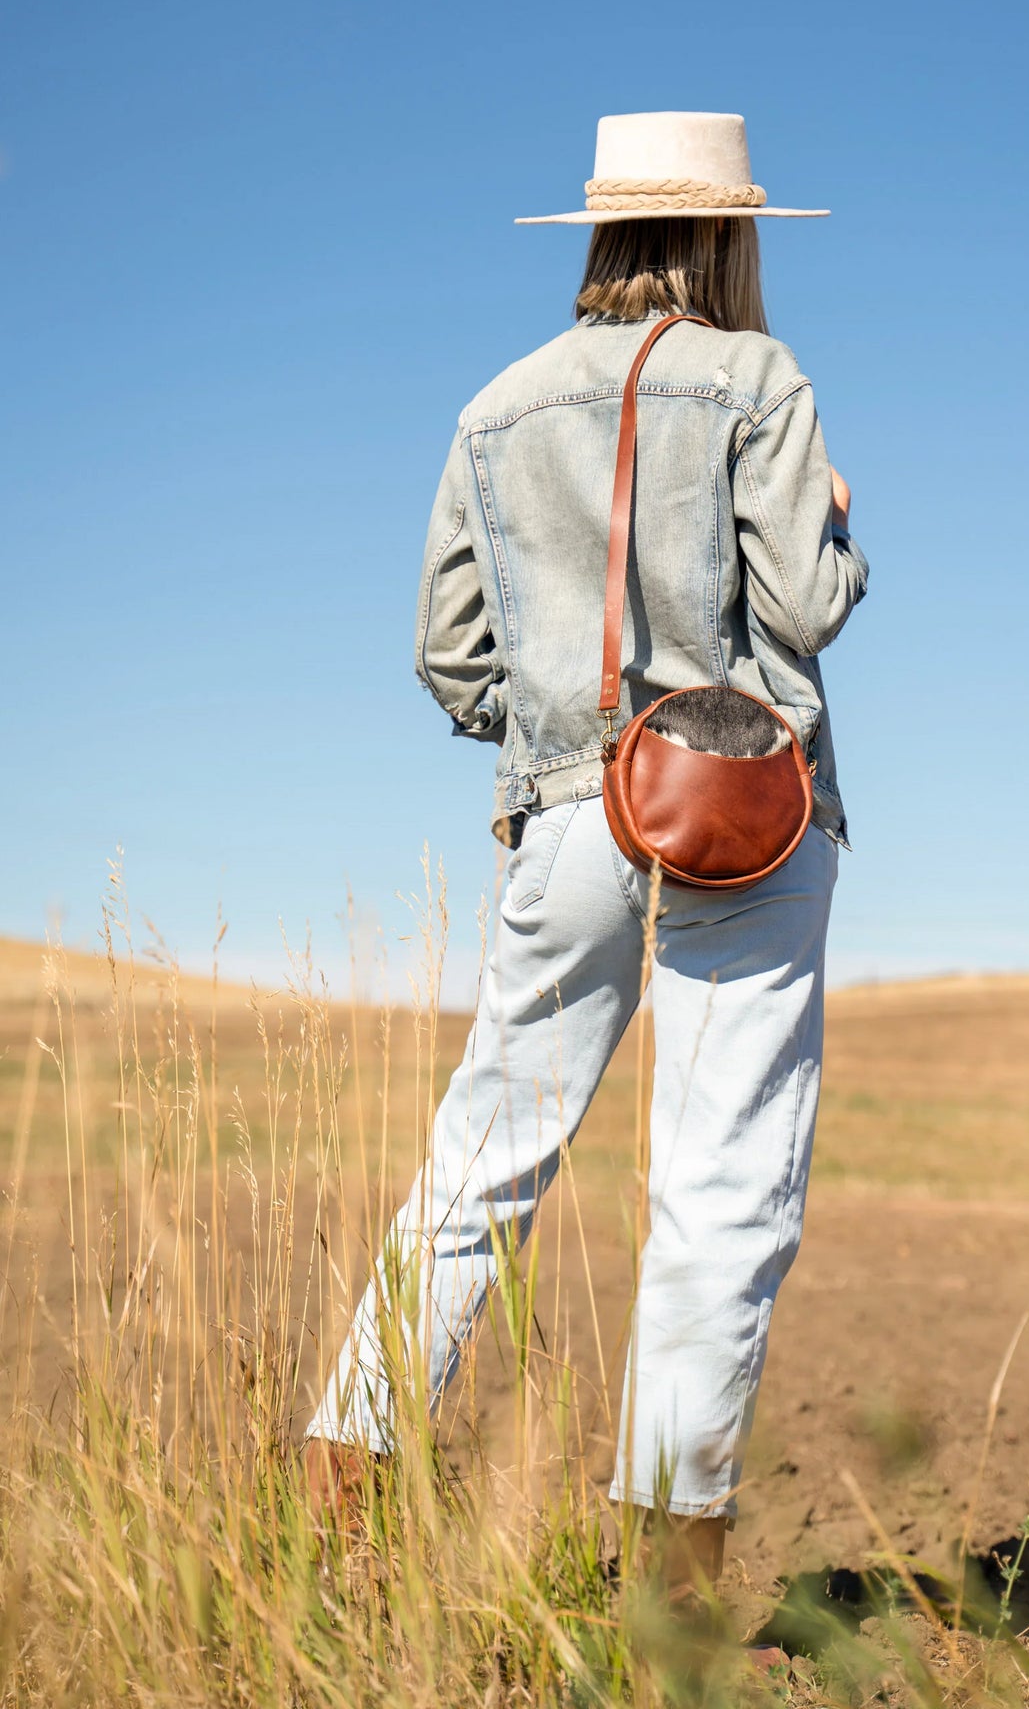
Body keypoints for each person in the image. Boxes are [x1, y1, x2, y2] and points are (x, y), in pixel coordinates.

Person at [302, 111, 868, 1617]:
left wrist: (559, 749)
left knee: (477, 1167)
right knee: (721, 1183)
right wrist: (843, 536)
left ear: (606, 237)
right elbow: (805, 606)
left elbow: (446, 651)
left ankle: (334, 1517)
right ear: (730, 234)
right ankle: (668, 1598)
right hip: (744, 817)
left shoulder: (492, 406)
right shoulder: (759, 378)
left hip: (565, 818)